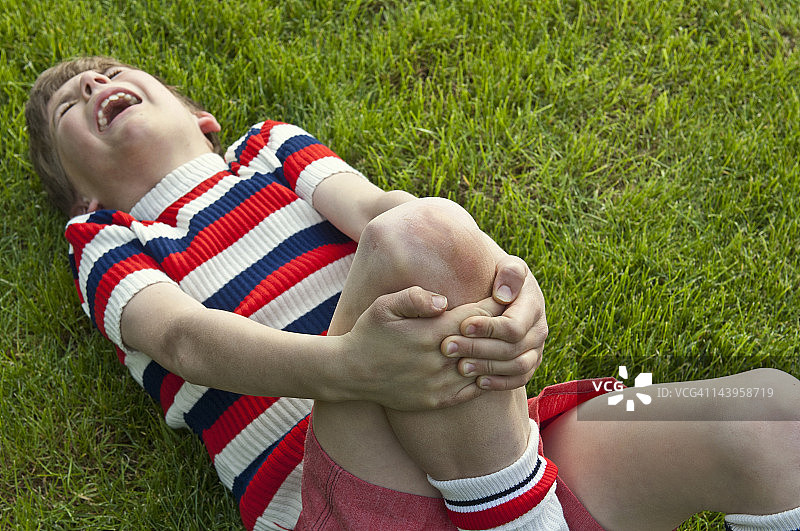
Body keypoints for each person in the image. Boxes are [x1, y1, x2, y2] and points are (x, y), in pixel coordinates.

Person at [25, 56, 800, 531]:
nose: (94, 82)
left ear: (201, 115)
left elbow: (383, 212)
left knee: (773, 410)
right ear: (80, 197)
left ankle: (513, 511)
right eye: (69, 106)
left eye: (110, 71)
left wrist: (512, 283)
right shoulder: (107, 240)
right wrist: (353, 368)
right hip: (342, 492)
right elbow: (183, 339)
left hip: (498, 446)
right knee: (415, 240)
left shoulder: (269, 150)